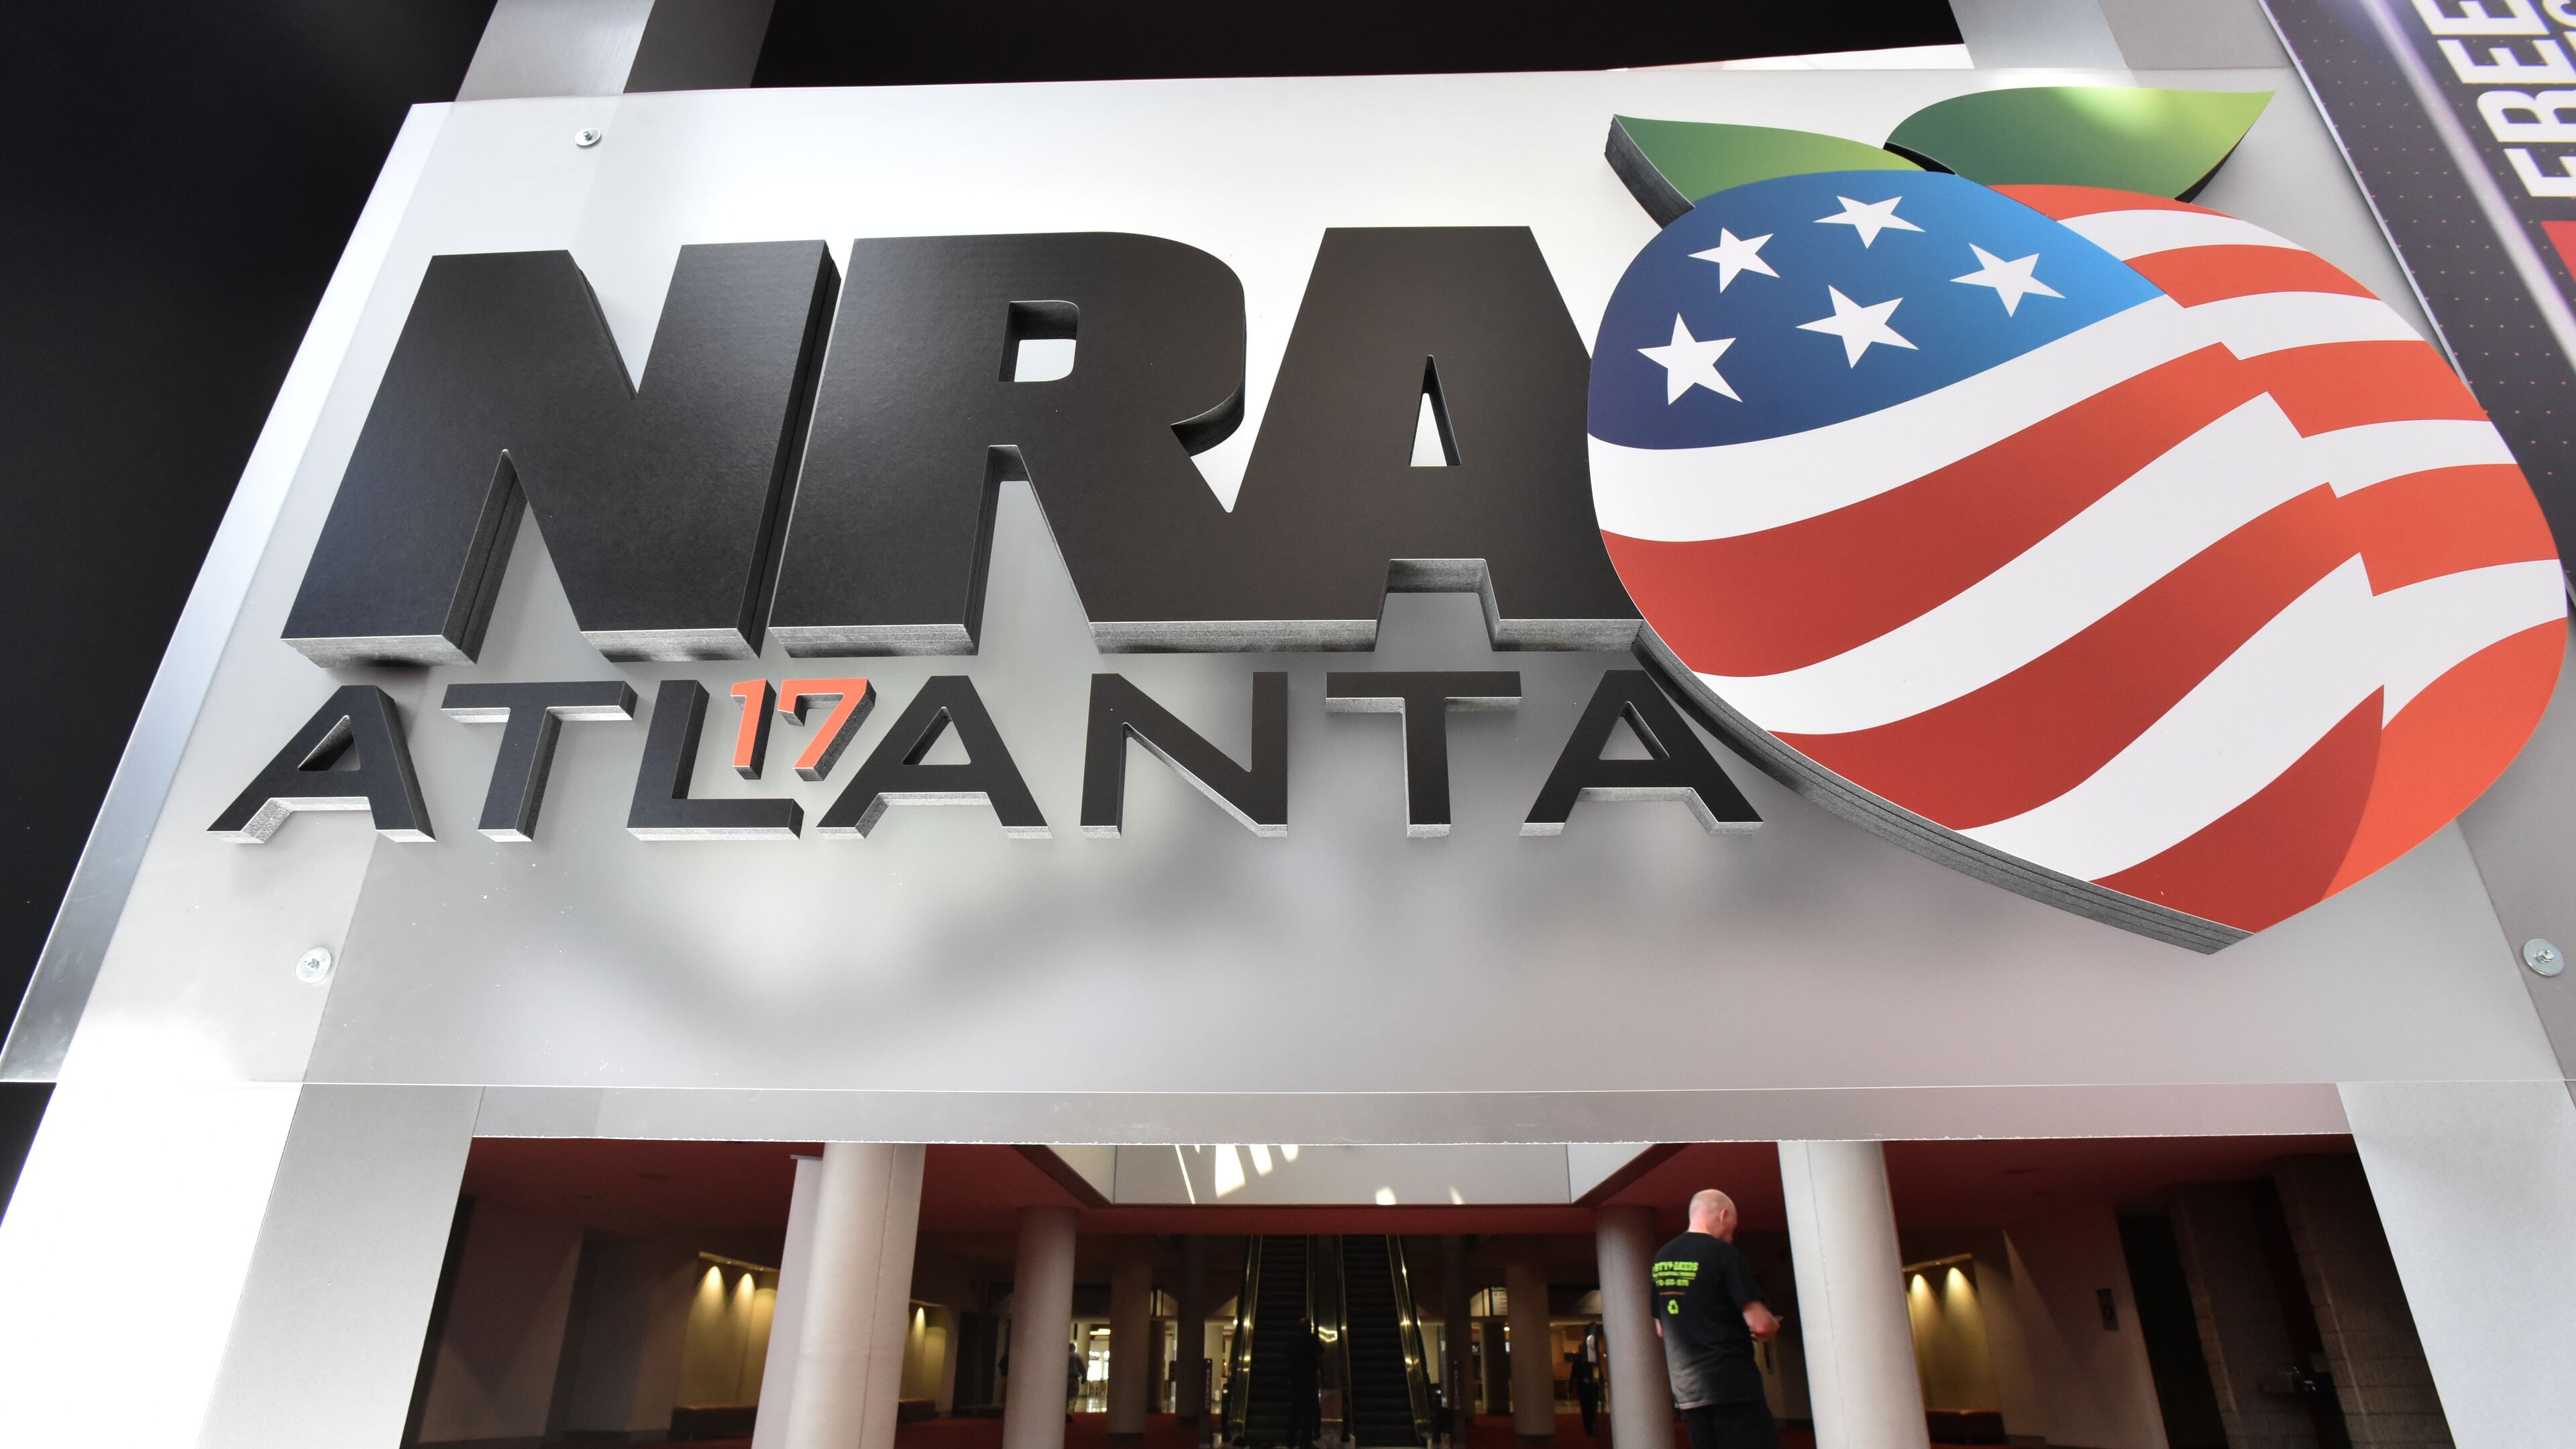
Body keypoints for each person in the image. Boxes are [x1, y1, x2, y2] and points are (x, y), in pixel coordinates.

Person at [1651, 1190, 1782, 1449]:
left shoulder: (1662, 1258)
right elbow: (1760, 1324)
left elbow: (1662, 1329)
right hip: (1732, 1388)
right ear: (1723, 1216)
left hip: (1688, 1392)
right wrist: (1773, 1325)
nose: (1731, 1236)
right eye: (1732, 1227)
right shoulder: (1723, 1254)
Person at [1284, 1315, 1322, 1449]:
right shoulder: (1312, 1339)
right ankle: (1305, 1443)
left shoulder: (1293, 1341)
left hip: (1296, 1382)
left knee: (1294, 1413)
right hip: (1309, 1382)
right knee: (1308, 1415)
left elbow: (1288, 1358)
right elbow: (1319, 1355)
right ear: (1309, 1328)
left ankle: (1290, 1442)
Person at [1570, 1324, 1603, 1437]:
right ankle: (1588, 1427)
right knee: (1586, 1408)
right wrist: (1571, 1387)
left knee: (1593, 1407)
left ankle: (1590, 1424)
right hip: (1583, 1387)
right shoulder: (1579, 1360)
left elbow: (1597, 1371)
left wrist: (1599, 1382)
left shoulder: (1592, 1359)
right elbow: (1574, 1374)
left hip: (1592, 1386)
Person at [1071, 1344, 1089, 1419]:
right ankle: (1070, 1411)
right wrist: (1084, 1377)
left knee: (1066, 1396)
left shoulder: (1063, 1356)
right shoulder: (1077, 1356)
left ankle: (1064, 1412)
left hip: (1065, 1379)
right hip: (1074, 1378)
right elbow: (1082, 1368)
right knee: (1073, 1396)